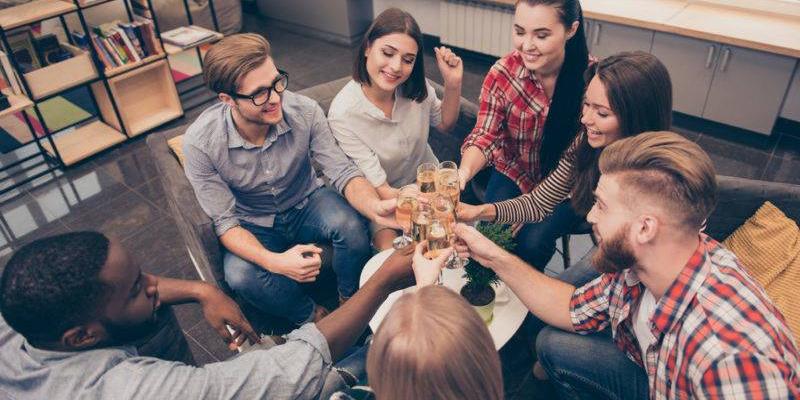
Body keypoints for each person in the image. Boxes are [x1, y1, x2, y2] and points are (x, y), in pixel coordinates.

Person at [454, 132, 800, 398]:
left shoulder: (728, 360)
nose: (590, 216)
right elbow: (572, 307)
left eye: (601, 206)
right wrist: (489, 253)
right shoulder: (644, 262)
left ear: (645, 227)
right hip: (655, 376)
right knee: (551, 344)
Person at [0, 231, 418, 400]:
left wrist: (202, 290)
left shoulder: (28, 322)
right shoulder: (128, 391)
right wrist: (381, 282)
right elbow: (283, 374)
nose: (154, 285)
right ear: (81, 338)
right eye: (136, 290)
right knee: (358, 363)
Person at [182, 33, 398, 326]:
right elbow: (225, 222)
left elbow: (342, 171)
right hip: (253, 221)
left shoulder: (304, 111)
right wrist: (276, 262)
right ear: (227, 100)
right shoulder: (201, 143)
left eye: (276, 83)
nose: (275, 99)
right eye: (259, 93)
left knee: (352, 225)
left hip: (308, 200)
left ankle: (350, 302)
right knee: (240, 276)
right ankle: (310, 316)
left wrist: (374, 207)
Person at [458, 51, 672, 270]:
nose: (585, 119)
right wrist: (477, 211)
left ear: (636, 117)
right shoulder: (584, 144)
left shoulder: (658, 178)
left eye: (602, 113)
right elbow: (538, 203)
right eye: (587, 104)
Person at [456, 0, 589, 266]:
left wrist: (521, 209)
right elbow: (485, 134)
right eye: (519, 32)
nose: (527, 45)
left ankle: (529, 298)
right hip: (516, 170)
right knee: (494, 236)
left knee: (531, 242)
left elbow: (577, 170)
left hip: (569, 186)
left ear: (571, 30)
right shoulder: (503, 74)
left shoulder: (591, 81)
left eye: (541, 35)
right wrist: (463, 173)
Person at [328, 8, 463, 250]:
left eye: (408, 59)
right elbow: (381, 189)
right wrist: (426, 206)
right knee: (392, 257)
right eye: (387, 53)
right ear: (368, 47)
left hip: (428, 184)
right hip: (386, 200)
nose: (396, 67)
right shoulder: (343, 113)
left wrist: (452, 83)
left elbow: (445, 123)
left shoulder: (415, 88)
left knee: (455, 247)